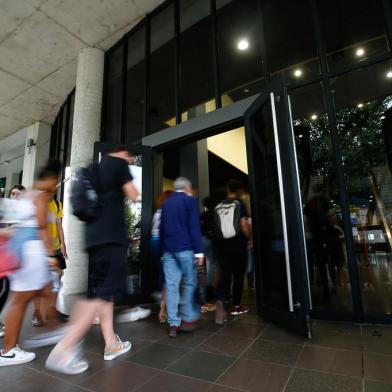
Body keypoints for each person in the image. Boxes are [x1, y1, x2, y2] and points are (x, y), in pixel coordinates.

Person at [46, 145, 139, 375]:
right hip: (112, 240)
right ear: (121, 153)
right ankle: (64, 348)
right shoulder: (118, 165)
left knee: (103, 294)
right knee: (101, 297)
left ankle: (111, 344)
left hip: (94, 240)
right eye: (129, 155)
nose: (130, 158)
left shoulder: (91, 170)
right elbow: (134, 195)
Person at [0, 161, 62, 366]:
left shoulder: (25, 196)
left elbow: (12, 225)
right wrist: (51, 256)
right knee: (21, 300)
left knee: (44, 290)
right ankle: (8, 350)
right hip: (31, 250)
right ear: (52, 179)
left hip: (18, 249)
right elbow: (43, 228)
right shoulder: (41, 196)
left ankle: (50, 330)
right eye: (57, 181)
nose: (56, 186)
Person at [160, 177, 204, 338]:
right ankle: (187, 317)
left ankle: (173, 323)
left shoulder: (166, 203)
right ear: (187, 187)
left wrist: (163, 252)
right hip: (185, 249)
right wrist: (199, 252)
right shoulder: (189, 201)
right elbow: (194, 226)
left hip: (168, 250)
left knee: (172, 286)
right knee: (189, 283)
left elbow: (162, 229)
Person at [214, 180, 251, 324]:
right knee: (238, 276)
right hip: (237, 245)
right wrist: (250, 237)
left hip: (221, 246)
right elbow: (243, 225)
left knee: (225, 276)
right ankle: (236, 306)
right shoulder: (239, 203)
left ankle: (221, 303)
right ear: (239, 190)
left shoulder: (218, 205)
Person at [32, 194, 68, 327]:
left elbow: (59, 225)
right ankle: (36, 313)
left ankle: (51, 309)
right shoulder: (38, 202)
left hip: (56, 248)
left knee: (57, 278)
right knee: (39, 281)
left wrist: (63, 244)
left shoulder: (57, 204)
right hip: (41, 248)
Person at [0, 185, 26, 338]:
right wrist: (9, 231)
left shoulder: (14, 211)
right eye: (13, 193)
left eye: (18, 194)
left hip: (7, 257)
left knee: (7, 289)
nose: (15, 196)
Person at [151, 190, 173, 322]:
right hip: (161, 242)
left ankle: (160, 293)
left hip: (153, 241)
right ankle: (162, 297)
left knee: (162, 270)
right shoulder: (166, 212)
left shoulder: (157, 212)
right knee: (166, 271)